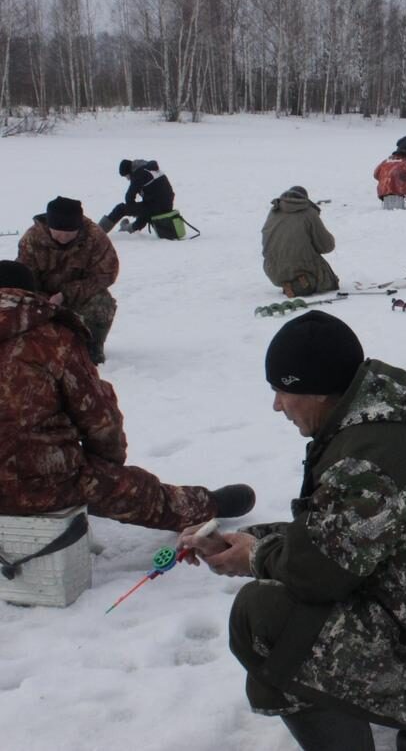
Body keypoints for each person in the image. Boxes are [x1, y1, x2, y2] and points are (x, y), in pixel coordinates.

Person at [179, 312, 406, 751]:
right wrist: (256, 539)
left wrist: (254, 556)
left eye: (283, 390)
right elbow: (338, 535)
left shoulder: (367, 462)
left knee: (260, 614)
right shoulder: (383, 428)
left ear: (317, 392)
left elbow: (316, 573)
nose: (278, 405)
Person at [0, 260, 254, 530]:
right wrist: (106, 466)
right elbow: (99, 416)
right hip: (43, 481)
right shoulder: (53, 337)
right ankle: (205, 505)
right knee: (133, 492)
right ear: (30, 294)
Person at [17, 196, 118, 364]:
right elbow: (24, 278)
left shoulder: (95, 237)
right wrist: (43, 299)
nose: (63, 237)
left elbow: (107, 274)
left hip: (79, 294)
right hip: (41, 295)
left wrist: (65, 294)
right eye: (58, 232)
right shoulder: (32, 240)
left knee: (103, 303)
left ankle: (91, 346)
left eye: (69, 233)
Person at [261, 186, 339, 298]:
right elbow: (327, 246)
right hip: (300, 268)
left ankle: (290, 284)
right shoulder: (308, 213)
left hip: (272, 270)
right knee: (330, 281)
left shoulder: (274, 211)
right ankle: (301, 284)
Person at [100, 158, 175, 234]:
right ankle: (128, 229)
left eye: (126, 176)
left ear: (129, 171)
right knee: (144, 211)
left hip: (156, 207)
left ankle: (98, 232)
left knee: (120, 209)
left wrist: (133, 209)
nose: (127, 179)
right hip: (166, 206)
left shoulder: (139, 174)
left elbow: (129, 197)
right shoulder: (149, 168)